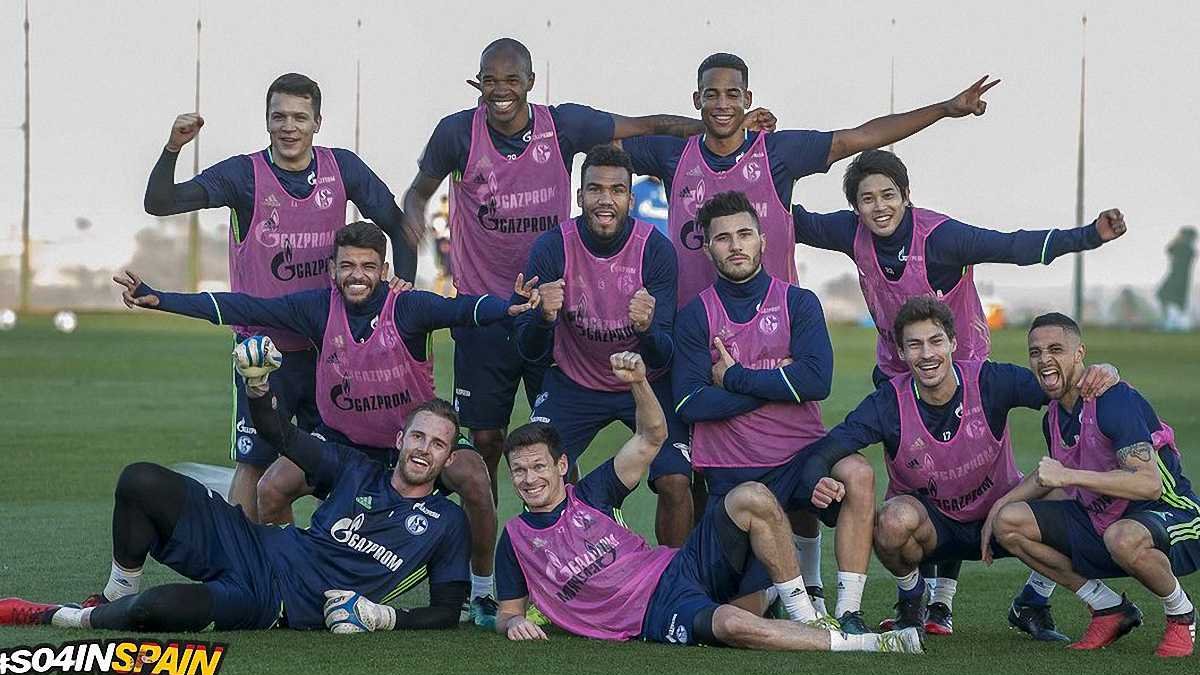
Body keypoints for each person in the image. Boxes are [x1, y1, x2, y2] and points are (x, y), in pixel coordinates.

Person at [401, 38, 774, 510]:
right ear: (478, 84)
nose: (501, 90)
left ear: (530, 82)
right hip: (485, 309)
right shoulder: (457, 133)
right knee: (488, 440)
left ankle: (580, 533)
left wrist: (724, 124)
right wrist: (411, 225)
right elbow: (417, 193)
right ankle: (490, 558)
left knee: (558, 451)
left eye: (512, 80)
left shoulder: (563, 126)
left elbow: (648, 125)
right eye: (490, 81)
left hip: (548, 306)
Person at [112, 220, 535, 628]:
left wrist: (508, 306)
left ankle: (481, 593)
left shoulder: (408, 306)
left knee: (474, 477)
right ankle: (285, 584)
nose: (357, 275)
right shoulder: (317, 306)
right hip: (344, 443)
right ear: (332, 268)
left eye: (368, 266)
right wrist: (162, 299)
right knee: (271, 487)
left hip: (409, 443)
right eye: (347, 265)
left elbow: (463, 309)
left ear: (384, 270)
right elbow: (248, 306)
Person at [794, 149, 1127, 610]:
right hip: (897, 374)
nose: (880, 206)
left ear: (906, 195)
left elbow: (1012, 246)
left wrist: (1089, 236)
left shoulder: (942, 239)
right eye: (867, 199)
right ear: (855, 207)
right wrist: (756, 155)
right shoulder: (852, 232)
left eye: (889, 195)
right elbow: (789, 219)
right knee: (926, 479)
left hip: (965, 371)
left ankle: (989, 598)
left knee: (977, 472)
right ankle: (920, 598)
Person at [0, 338, 468, 633]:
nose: (423, 450)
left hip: (273, 602)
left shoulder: (446, 522)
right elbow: (279, 434)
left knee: (157, 609)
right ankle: (118, 590)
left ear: (449, 457)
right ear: (400, 439)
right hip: (252, 543)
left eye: (438, 444)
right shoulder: (354, 468)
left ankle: (57, 615)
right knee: (140, 479)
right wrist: (258, 387)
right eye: (418, 437)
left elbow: (447, 610)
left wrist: (384, 616)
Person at [484, 351, 921, 652]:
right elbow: (507, 613)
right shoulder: (516, 539)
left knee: (751, 496)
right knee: (732, 624)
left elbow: (651, 436)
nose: (530, 478)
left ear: (561, 466)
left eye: (538, 466)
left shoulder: (591, 493)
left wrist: (638, 383)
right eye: (519, 470)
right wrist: (514, 622)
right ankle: (866, 644)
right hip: (653, 613)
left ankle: (804, 613)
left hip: (679, 565)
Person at [143, 73, 420, 523]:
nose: (288, 127)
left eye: (299, 117)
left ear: (317, 122)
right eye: (279, 117)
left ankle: (334, 553)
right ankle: (239, 557)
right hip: (262, 352)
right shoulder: (244, 175)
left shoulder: (342, 168)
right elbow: (159, 202)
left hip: (330, 349)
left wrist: (402, 286)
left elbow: (398, 226)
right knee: (254, 462)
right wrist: (173, 147)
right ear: (267, 120)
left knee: (339, 459)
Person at [796, 297, 1118, 637]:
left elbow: (1061, 388)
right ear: (901, 353)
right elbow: (827, 449)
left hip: (1001, 517)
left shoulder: (990, 381)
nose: (927, 354)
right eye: (915, 345)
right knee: (891, 522)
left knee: (1069, 493)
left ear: (953, 343)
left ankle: (1033, 601)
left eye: (935, 341)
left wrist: (1103, 373)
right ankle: (912, 598)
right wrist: (817, 483)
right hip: (935, 530)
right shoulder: (888, 402)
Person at [621, 52, 1000, 310]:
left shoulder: (779, 152)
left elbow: (859, 137)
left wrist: (944, 109)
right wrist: (694, 128)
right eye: (711, 96)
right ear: (696, 99)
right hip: (692, 323)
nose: (722, 104)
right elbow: (601, 142)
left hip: (773, 323)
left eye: (732, 95)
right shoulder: (671, 155)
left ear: (747, 98)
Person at [672, 191, 863, 627]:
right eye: (723, 238)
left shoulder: (799, 302)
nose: (735, 245)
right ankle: (784, 588)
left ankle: (843, 608)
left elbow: (817, 382)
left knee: (858, 473)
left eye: (744, 234)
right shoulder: (696, 315)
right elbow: (689, 403)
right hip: (734, 474)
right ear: (708, 248)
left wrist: (734, 378)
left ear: (762, 240)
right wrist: (778, 383)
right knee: (743, 612)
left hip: (799, 463)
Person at [987, 313, 1198, 657]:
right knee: (1009, 522)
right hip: (1104, 520)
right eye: (1035, 352)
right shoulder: (1053, 416)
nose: (1044, 359)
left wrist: (1069, 476)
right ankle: (1108, 608)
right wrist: (998, 508)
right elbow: (1051, 477)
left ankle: (1180, 613)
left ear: (1079, 353)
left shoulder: (1113, 400)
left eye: (1056, 349)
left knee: (1122, 537)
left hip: (1169, 513)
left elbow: (1149, 484)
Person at [514, 145, 690, 546]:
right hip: (575, 381)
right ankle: (561, 569)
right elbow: (528, 350)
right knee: (539, 470)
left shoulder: (655, 249)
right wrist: (543, 318)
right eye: (595, 189)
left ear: (631, 198)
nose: (605, 200)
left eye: (617, 190)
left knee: (676, 479)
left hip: (644, 382)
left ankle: (676, 576)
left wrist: (646, 329)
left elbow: (664, 351)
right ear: (580, 196)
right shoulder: (552, 246)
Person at [1157, 227, 1197, 331]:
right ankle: (1172, 320)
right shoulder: (1189, 249)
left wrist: (1178, 239)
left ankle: (1174, 322)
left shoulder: (1185, 248)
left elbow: (1170, 249)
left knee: (1168, 297)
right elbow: (1169, 250)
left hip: (1178, 277)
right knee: (1166, 296)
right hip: (1178, 276)